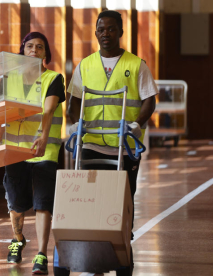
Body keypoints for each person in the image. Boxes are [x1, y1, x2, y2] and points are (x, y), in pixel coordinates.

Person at [0, 31, 65, 275]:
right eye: (30, 46)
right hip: (16, 151)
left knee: (43, 202)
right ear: (22, 52)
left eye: (40, 47)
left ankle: (40, 254)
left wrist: (44, 135)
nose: (34, 50)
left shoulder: (54, 79)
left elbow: (48, 110)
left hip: (43, 150)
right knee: (16, 201)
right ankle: (17, 240)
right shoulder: (9, 78)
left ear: (45, 54)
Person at [65, 10, 158, 275]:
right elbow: (74, 101)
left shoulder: (136, 64)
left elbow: (149, 99)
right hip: (91, 145)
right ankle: (95, 261)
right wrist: (74, 123)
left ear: (120, 32)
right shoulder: (85, 65)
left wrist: (136, 124)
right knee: (92, 205)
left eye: (111, 29)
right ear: (95, 33)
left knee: (122, 204)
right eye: (101, 29)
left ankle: (123, 259)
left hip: (124, 145)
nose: (106, 34)